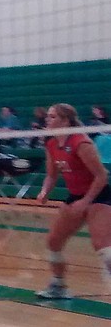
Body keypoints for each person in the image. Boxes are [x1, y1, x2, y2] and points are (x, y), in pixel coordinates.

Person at [34, 104, 111, 299]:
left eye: (52, 117)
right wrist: (44, 192)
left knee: (102, 245)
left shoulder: (80, 142)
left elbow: (102, 176)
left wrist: (86, 201)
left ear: (65, 120)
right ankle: (58, 286)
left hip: (99, 196)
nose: (47, 120)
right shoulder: (51, 143)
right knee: (53, 242)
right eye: (48, 117)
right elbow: (51, 175)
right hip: (75, 196)